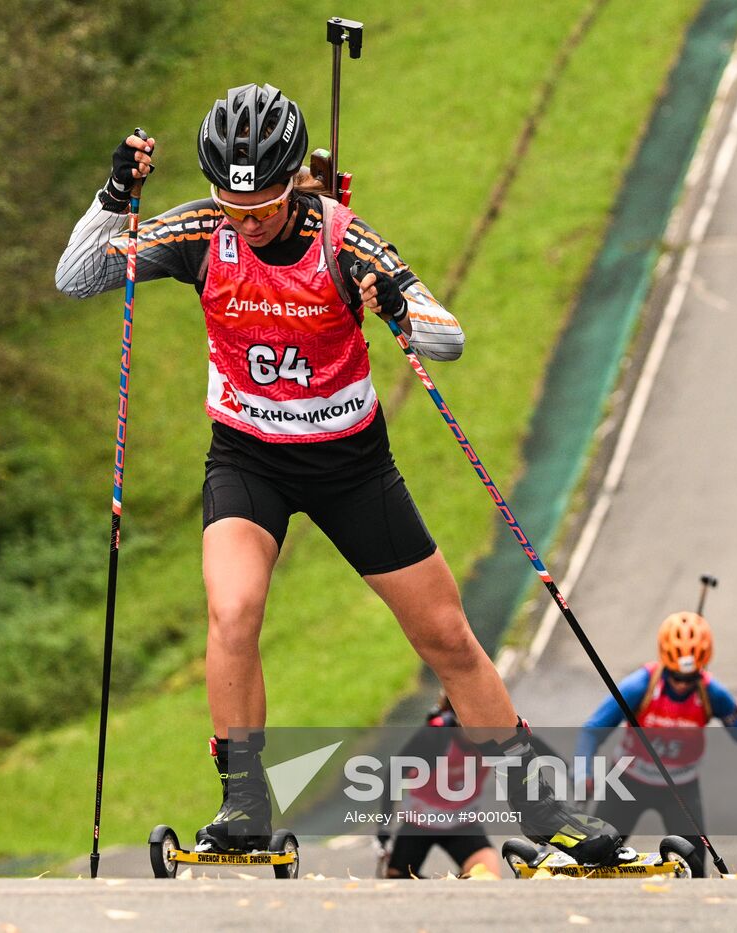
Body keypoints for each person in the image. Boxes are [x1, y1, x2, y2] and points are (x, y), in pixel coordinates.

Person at [56, 83, 619, 861]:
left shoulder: (342, 241)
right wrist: (114, 194)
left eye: (261, 208)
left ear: (293, 186)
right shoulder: (202, 232)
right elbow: (76, 276)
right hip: (248, 459)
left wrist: (399, 307)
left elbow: (447, 337)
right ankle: (245, 800)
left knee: (447, 636)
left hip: (351, 466)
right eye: (230, 205)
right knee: (232, 611)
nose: (245, 223)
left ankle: (544, 803)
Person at [575, 611, 737, 872]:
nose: (681, 684)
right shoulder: (640, 686)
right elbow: (592, 730)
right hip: (627, 781)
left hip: (680, 789)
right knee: (594, 856)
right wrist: (582, 770)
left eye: (689, 678)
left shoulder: (711, 692)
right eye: (675, 676)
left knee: (694, 864)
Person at [377, 696, 501, 879]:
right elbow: (394, 772)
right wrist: (384, 827)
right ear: (458, 721)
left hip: (463, 823)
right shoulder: (434, 737)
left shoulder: (496, 739)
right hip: (419, 822)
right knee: (396, 879)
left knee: (488, 877)